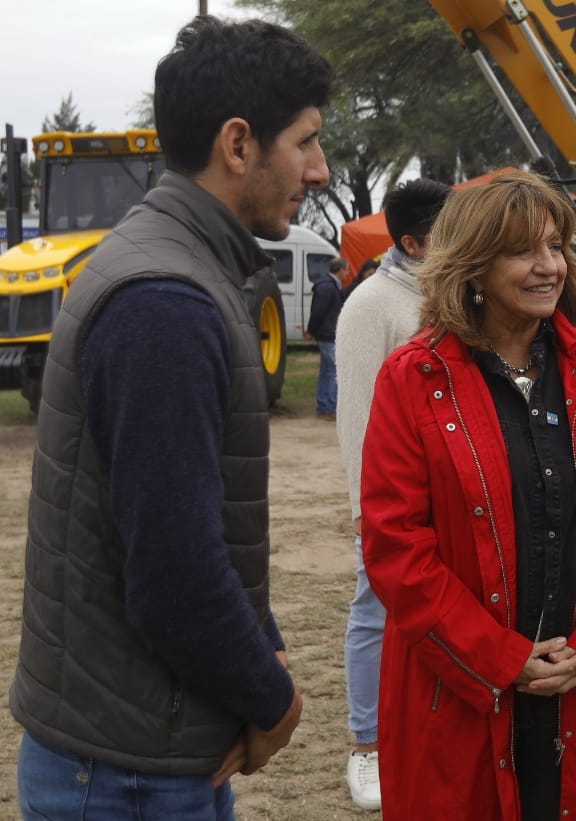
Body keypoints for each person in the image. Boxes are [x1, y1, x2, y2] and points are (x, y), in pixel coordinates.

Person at [9, 16, 331, 819]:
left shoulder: (174, 268)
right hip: (126, 775)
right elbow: (172, 573)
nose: (319, 169)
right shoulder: (166, 301)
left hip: (140, 747)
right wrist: (274, 699)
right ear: (237, 144)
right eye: (305, 141)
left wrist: (263, 640)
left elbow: (196, 521)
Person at [360, 170, 576, 819]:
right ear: (473, 265)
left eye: (555, 246)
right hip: (464, 688)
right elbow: (395, 545)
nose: (548, 266)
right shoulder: (414, 378)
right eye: (523, 250)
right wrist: (501, 658)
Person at [334, 177, 452, 811]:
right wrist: (364, 509)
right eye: (450, 228)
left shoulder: (453, 292)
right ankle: (367, 745)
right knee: (374, 610)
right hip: (391, 498)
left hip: (453, 494)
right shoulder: (371, 304)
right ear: (412, 242)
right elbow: (355, 415)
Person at [307, 256, 346, 419]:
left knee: (326, 370)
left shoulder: (329, 285)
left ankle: (324, 405)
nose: (347, 273)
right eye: (346, 270)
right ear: (341, 270)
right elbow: (318, 312)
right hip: (327, 334)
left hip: (326, 333)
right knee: (332, 371)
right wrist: (311, 330)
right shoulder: (328, 287)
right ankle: (329, 406)